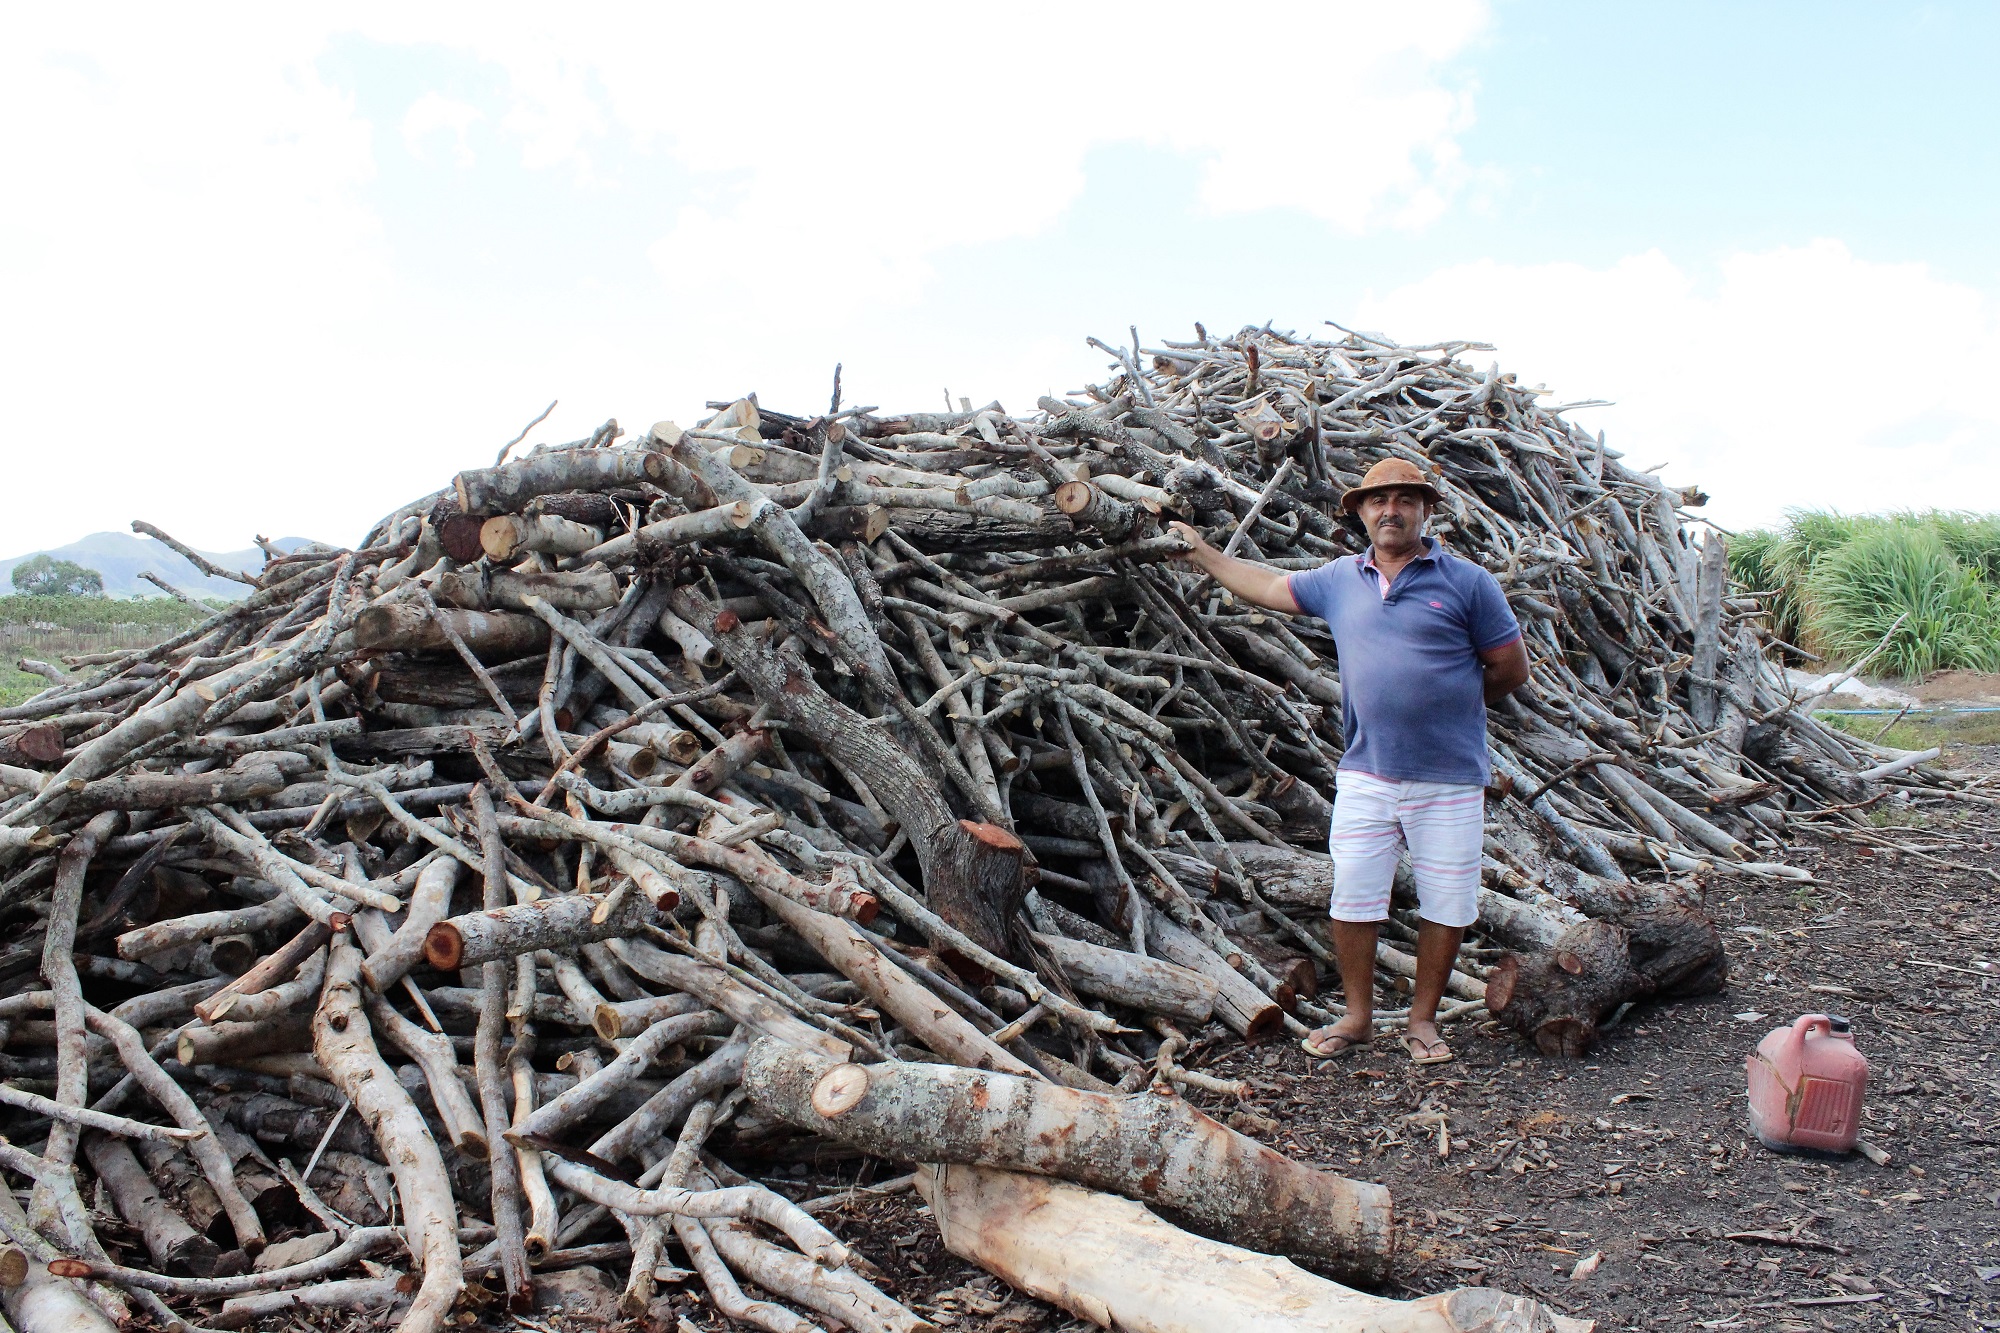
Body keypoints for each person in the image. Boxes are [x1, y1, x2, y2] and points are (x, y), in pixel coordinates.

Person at [1169, 457, 1529, 1065]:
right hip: (1366, 772)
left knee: (1446, 902)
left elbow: (1509, 668)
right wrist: (1202, 551)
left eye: (1404, 500)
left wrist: (1445, 707)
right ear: (1360, 513)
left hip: (1450, 777)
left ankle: (1423, 1021)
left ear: (1425, 509)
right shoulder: (1340, 580)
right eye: (1377, 501)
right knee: (1354, 896)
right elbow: (1264, 585)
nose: (1390, 510)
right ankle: (1358, 1018)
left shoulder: (1468, 582)